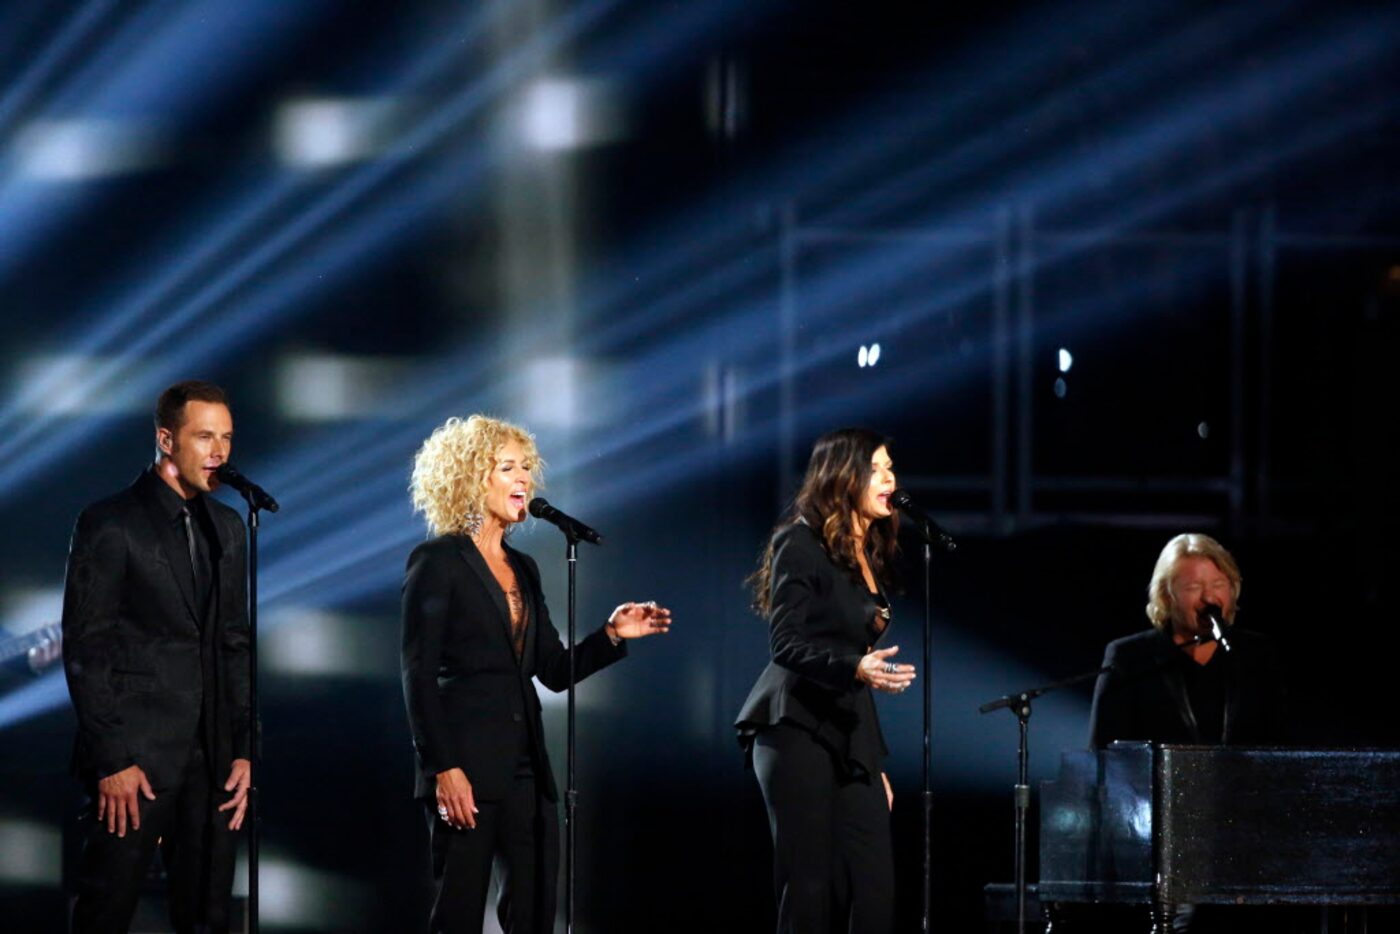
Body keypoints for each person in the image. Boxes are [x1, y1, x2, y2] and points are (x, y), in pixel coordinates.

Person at [400, 414, 672, 934]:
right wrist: (443, 768)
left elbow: (552, 671)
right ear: (471, 478)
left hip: (527, 771)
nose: (523, 478)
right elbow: (416, 673)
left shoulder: (524, 567)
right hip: (465, 769)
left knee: (534, 911)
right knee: (458, 912)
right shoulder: (438, 561)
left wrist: (611, 635)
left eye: (526, 466)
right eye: (507, 467)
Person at [61, 380, 251, 934]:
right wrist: (112, 760)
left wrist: (243, 748)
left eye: (227, 438)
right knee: (107, 910)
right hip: (136, 763)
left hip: (212, 761)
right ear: (167, 439)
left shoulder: (231, 528)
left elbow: (234, 642)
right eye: (204, 437)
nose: (218, 451)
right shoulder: (110, 522)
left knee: (207, 917)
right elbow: (86, 647)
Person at [735, 427, 916, 934]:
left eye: (890, 467)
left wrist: (870, 759)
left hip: (847, 732)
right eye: (877, 468)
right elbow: (785, 644)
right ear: (844, 476)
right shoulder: (799, 540)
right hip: (793, 725)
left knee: (875, 885)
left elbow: (855, 664)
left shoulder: (865, 551)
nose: (890, 477)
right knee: (810, 886)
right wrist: (856, 667)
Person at [1088, 532, 1286, 749]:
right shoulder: (1129, 657)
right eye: (1194, 587)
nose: (1209, 598)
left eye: (1218, 584)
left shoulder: (1257, 654)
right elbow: (1102, 755)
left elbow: (1283, 746)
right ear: (1166, 595)